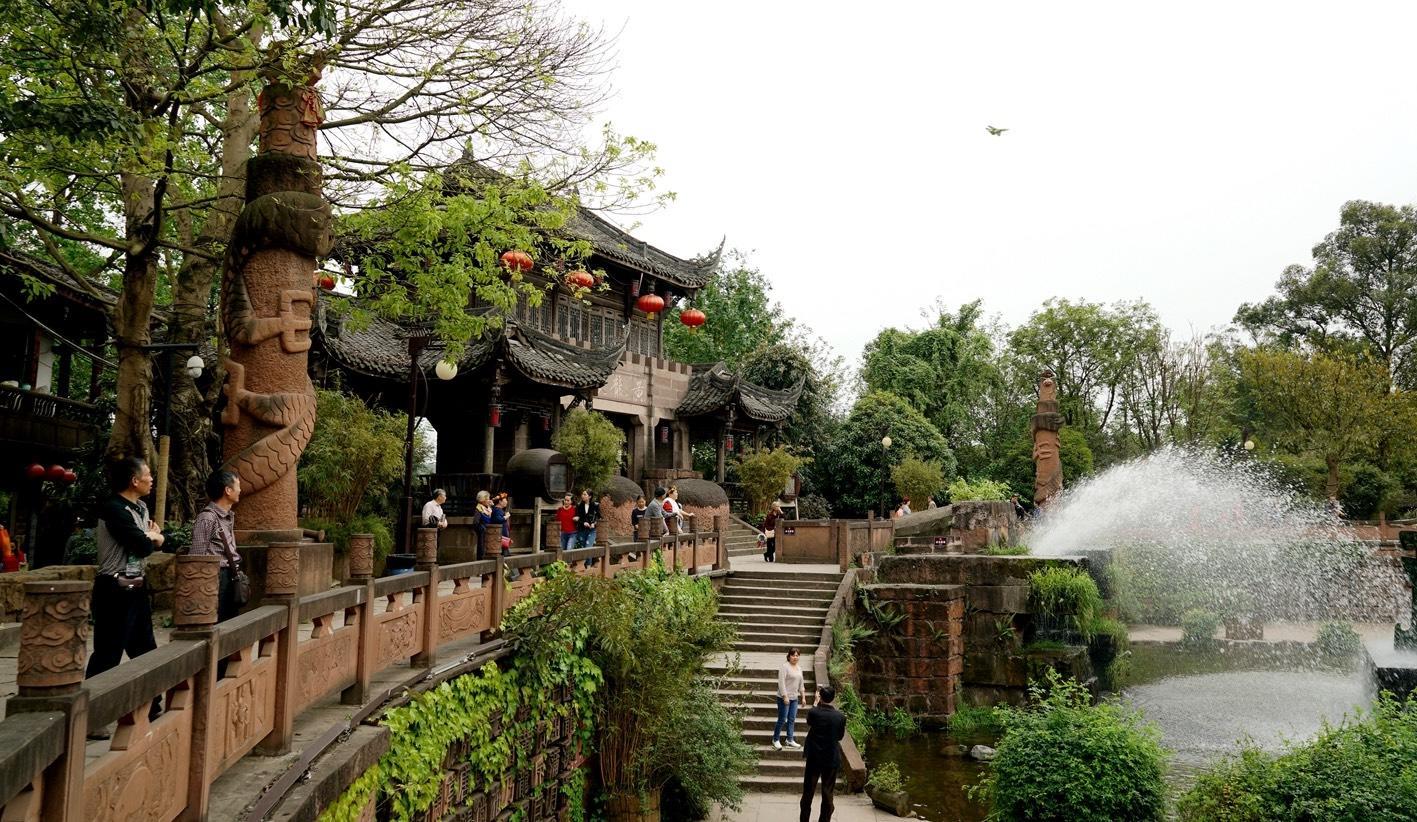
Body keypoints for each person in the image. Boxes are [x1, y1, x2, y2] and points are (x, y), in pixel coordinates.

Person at [87, 456, 166, 737]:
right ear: (134, 480)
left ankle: (152, 705)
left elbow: (148, 542)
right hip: (114, 588)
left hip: (136, 586)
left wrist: (151, 538)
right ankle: (92, 717)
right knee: (108, 653)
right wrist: (153, 537)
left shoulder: (140, 507)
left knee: (145, 649)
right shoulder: (114, 509)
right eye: (148, 474)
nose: (151, 479)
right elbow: (142, 545)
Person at [189, 469, 243, 622]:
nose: (240, 490)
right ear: (228, 490)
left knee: (231, 623)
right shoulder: (207, 518)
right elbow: (197, 557)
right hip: (215, 577)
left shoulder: (228, 516)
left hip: (231, 574)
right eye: (238, 486)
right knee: (218, 622)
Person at [800, 684, 847, 822]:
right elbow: (839, 737)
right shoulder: (840, 717)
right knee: (827, 792)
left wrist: (815, 703)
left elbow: (809, 721)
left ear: (820, 697)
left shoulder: (814, 712)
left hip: (814, 757)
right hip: (830, 757)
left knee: (808, 791)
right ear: (833, 698)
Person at [774, 647, 807, 750]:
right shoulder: (785, 667)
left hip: (794, 698)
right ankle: (775, 739)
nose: (795, 657)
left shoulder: (799, 668)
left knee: (791, 719)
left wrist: (803, 697)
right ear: (789, 656)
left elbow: (801, 684)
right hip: (783, 698)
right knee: (782, 719)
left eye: (797, 655)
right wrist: (785, 696)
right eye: (793, 655)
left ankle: (789, 739)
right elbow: (781, 683)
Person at [575, 488, 600, 567]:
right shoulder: (579, 505)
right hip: (581, 530)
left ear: (590, 496)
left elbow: (599, 518)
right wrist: (583, 523)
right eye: (582, 494)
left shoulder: (595, 505)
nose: (582, 496)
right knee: (584, 548)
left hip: (591, 530)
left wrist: (594, 524)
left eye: (585, 494)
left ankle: (588, 566)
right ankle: (587, 566)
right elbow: (577, 518)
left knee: (588, 547)